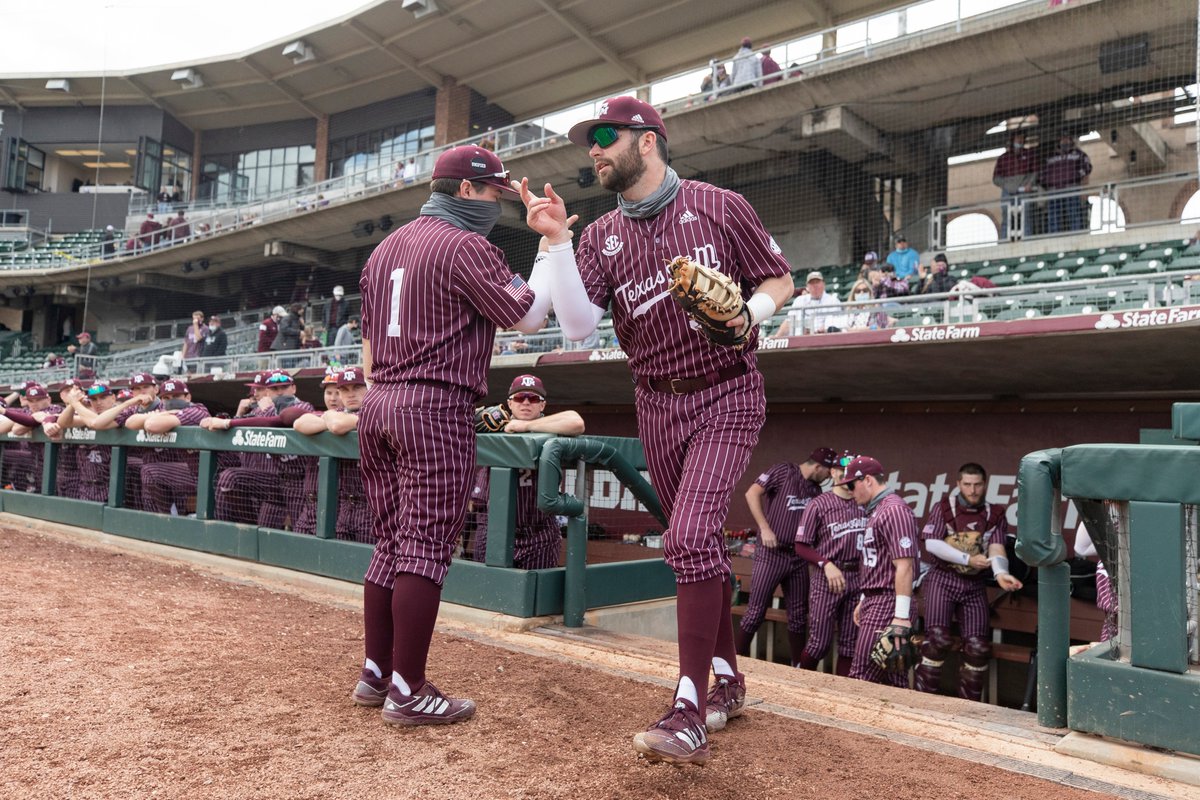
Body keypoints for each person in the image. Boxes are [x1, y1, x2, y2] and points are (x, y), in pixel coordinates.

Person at [529, 96, 795, 765]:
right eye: (590, 139)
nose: (594, 148)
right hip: (656, 398)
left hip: (726, 390)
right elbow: (580, 326)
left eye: (606, 136)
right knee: (695, 544)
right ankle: (727, 679)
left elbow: (779, 278)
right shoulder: (600, 235)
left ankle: (688, 708)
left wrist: (749, 315)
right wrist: (559, 241)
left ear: (648, 141)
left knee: (687, 535)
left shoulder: (718, 205)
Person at [350, 144, 554, 727]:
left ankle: (377, 671)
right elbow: (528, 316)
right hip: (433, 403)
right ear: (465, 190)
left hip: (381, 399)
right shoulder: (465, 245)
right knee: (424, 548)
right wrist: (546, 246)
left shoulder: (384, 247)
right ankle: (409, 689)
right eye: (493, 192)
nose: (497, 203)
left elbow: (366, 347)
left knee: (390, 543)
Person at [915, 462, 1022, 702]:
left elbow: (996, 548)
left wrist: (1000, 574)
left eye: (977, 485)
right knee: (937, 641)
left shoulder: (994, 512)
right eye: (967, 484)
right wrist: (967, 558)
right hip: (944, 579)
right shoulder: (944, 507)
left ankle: (968, 711)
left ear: (985, 484)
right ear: (958, 484)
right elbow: (931, 543)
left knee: (977, 648)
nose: (973, 490)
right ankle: (923, 703)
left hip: (974, 585)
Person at [470, 374, 585, 567]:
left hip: (539, 534)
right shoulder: (494, 424)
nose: (525, 402)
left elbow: (576, 422)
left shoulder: (551, 427)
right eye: (519, 397)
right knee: (487, 591)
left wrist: (525, 426)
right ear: (510, 403)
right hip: (493, 530)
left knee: (537, 594)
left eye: (533, 398)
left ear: (542, 405)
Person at [736, 447, 836, 665]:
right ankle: (735, 661)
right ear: (818, 466)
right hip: (771, 554)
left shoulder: (815, 490)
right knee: (755, 612)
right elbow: (752, 492)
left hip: (798, 557)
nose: (829, 476)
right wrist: (764, 527)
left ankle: (796, 667)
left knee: (798, 617)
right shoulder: (784, 471)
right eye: (828, 471)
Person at [838, 456, 919, 687]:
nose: (851, 492)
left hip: (888, 602)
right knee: (893, 681)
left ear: (868, 480)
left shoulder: (894, 510)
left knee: (862, 677)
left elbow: (905, 565)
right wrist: (865, 598)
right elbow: (877, 561)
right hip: (877, 599)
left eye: (852, 485)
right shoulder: (877, 510)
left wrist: (901, 616)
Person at [794, 452, 869, 675]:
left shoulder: (864, 503)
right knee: (819, 644)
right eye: (843, 471)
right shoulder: (819, 504)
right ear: (834, 472)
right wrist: (825, 563)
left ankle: (841, 695)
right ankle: (801, 681)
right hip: (827, 577)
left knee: (850, 644)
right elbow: (801, 546)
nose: (848, 476)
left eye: (853, 472)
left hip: (857, 577)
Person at [122, 379, 210, 515]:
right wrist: (164, 413)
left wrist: (160, 415)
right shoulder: (163, 410)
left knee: (151, 471)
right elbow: (130, 422)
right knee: (150, 473)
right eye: (166, 398)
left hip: (211, 471)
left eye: (176, 396)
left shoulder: (197, 410)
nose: (171, 401)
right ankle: (167, 519)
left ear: (188, 397)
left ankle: (171, 519)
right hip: (188, 470)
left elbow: (151, 425)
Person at [1040, 130, 1092, 233]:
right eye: (1062, 139)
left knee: (1074, 213)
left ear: (1071, 140)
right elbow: (1043, 173)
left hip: (1071, 188)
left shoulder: (1078, 154)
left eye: (1067, 138)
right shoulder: (1051, 156)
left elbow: (1087, 167)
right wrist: (1047, 183)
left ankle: (1076, 234)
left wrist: (1075, 176)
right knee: (1054, 216)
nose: (1064, 141)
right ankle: (1054, 236)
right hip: (1054, 190)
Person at [1074, 522, 1116, 642]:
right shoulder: (1114, 523)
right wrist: (1097, 504)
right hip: (1112, 618)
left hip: (1135, 614)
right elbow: (1081, 548)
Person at [992, 131, 1038, 238]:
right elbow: (996, 178)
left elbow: (1035, 172)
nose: (1020, 141)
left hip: (1024, 191)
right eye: (1018, 139)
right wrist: (1007, 185)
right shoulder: (1003, 158)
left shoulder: (1029, 155)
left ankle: (1027, 238)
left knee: (1026, 215)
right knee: (1006, 216)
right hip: (1008, 192)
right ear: (1012, 140)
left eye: (1022, 139)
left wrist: (1029, 184)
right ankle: (1004, 239)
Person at [780, 271, 844, 335]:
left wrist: (813, 332)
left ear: (823, 284)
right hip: (799, 338)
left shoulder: (833, 301)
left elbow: (831, 326)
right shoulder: (799, 300)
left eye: (817, 282)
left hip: (822, 338)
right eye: (812, 283)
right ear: (807, 286)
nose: (815, 285)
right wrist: (777, 336)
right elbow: (789, 322)